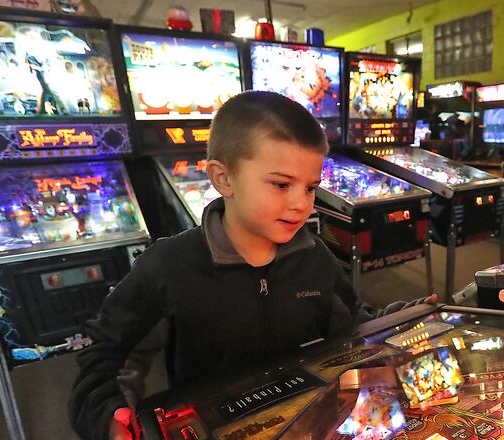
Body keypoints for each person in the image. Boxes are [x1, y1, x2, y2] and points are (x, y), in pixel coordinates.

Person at [68, 91, 435, 440]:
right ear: (223, 179)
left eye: (309, 187)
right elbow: (108, 355)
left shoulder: (314, 255)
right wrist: (109, 416)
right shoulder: (169, 266)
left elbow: (354, 323)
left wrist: (412, 317)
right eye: (280, 185)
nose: (300, 204)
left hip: (310, 420)